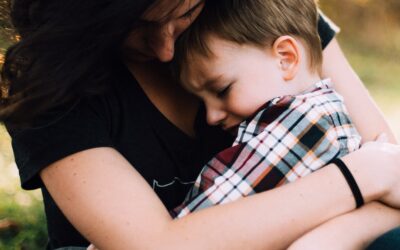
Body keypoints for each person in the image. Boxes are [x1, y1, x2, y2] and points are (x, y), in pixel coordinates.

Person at [0, 0, 399, 249]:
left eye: (183, 13)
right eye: (135, 26)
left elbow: (394, 188)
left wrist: (333, 238)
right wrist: (360, 176)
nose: (165, 50)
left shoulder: (266, 18)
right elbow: (152, 246)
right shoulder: (49, 82)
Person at [171, 0, 363, 217]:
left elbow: (203, 219)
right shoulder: (326, 111)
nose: (211, 117)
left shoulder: (303, 123)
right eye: (201, 101)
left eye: (222, 90)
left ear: (285, 59)